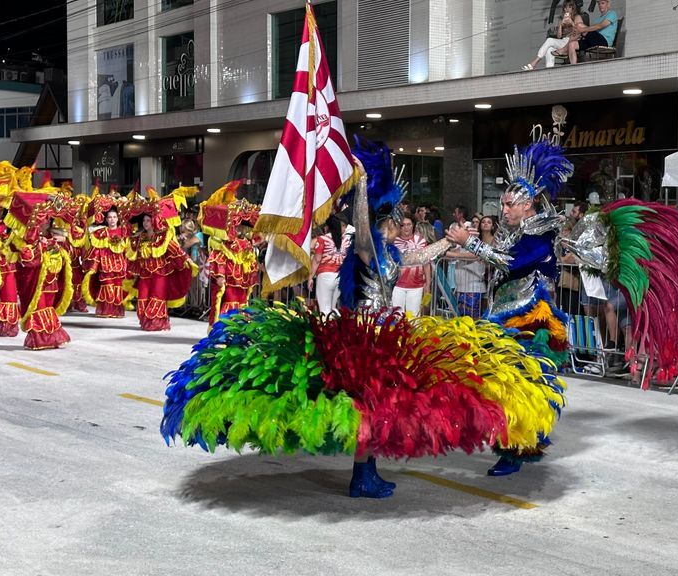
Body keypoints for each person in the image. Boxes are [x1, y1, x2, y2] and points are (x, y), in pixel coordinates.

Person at [163, 140, 566, 502]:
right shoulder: (368, 248)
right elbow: (366, 224)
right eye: (392, 219)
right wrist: (359, 185)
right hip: (365, 337)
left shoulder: (389, 254)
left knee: (374, 409)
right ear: (382, 219)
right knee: (367, 407)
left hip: (383, 332)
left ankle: (367, 472)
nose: (397, 225)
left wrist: (450, 240)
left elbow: (419, 259)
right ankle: (363, 475)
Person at [447, 135, 573, 477]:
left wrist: (470, 242)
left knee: (527, 385)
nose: (503, 210)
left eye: (509, 205)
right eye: (503, 205)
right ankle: (507, 438)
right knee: (498, 381)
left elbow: (510, 264)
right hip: (504, 318)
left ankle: (518, 448)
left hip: (530, 322)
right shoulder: (517, 232)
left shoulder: (540, 235)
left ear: (528, 204)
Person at [6, 192, 74, 350]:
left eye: (48, 218)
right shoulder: (22, 239)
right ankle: (38, 339)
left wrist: (59, 245)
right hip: (36, 282)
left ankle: (50, 337)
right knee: (39, 307)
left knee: (48, 307)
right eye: (43, 219)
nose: (46, 221)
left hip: (52, 280)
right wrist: (41, 246)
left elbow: (69, 254)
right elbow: (27, 260)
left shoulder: (55, 235)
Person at [126, 189, 197, 331]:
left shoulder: (163, 237)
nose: (146, 223)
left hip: (160, 275)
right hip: (145, 275)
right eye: (144, 220)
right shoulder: (139, 238)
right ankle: (146, 322)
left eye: (148, 220)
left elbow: (175, 250)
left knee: (157, 297)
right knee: (143, 297)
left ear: (154, 221)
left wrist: (186, 260)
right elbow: (133, 257)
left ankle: (158, 323)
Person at [200, 183, 261, 329]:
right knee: (229, 303)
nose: (240, 227)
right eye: (237, 224)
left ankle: (239, 331)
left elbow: (251, 263)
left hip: (242, 283)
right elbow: (218, 259)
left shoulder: (246, 244)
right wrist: (220, 277)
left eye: (242, 224)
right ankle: (223, 331)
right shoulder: (222, 244)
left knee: (241, 303)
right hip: (229, 281)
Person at [82, 202, 132, 318]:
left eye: (114, 217)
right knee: (107, 285)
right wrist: (93, 266)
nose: (112, 220)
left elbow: (128, 251)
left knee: (118, 286)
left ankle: (117, 311)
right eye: (109, 217)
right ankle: (106, 310)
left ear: (118, 218)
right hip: (106, 265)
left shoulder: (124, 232)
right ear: (106, 219)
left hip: (120, 266)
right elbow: (96, 250)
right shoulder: (101, 233)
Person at [523, 1, 585, 69]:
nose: (567, 9)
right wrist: (561, 25)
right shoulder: (561, 19)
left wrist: (572, 23)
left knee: (549, 40)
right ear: (563, 9)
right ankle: (549, 71)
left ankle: (535, 62)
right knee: (550, 49)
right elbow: (559, 36)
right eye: (565, 7)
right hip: (563, 41)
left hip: (572, 41)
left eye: (569, 7)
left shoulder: (577, 17)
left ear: (573, 8)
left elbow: (581, 30)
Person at [310, 215, 349, 314]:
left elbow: (317, 259)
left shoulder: (322, 239)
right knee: (332, 308)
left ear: (328, 227)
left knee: (324, 309)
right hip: (340, 277)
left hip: (325, 276)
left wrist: (310, 276)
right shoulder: (347, 240)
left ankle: (325, 328)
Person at [391, 215, 430, 316]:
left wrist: (428, 284)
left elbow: (426, 262)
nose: (406, 227)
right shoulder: (394, 242)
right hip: (397, 285)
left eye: (409, 224)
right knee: (396, 317)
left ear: (413, 226)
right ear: (399, 227)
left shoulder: (420, 240)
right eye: (403, 225)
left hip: (416, 285)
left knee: (413, 319)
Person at [0, 202, 20, 337]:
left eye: (1, 210)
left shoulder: (10, 226)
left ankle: (6, 325)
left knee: (10, 295)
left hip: (7, 266)